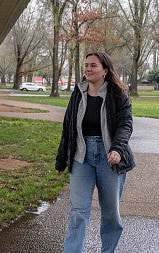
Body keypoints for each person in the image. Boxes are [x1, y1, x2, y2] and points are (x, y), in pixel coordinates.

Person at [55, 52, 135, 253]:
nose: (88, 69)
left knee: (110, 213)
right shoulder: (78, 93)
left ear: (105, 71)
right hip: (81, 156)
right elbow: (68, 127)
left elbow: (125, 125)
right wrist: (61, 160)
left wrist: (117, 148)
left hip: (109, 158)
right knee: (78, 212)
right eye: (86, 65)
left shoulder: (118, 95)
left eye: (93, 66)